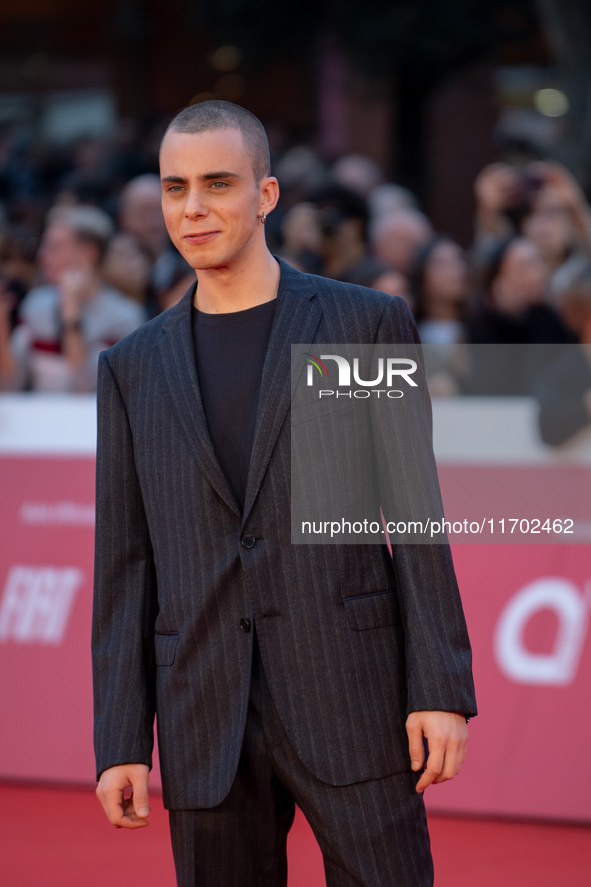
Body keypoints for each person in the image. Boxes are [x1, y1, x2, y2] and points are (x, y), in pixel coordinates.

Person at [92, 100, 476, 887]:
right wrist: (122, 738)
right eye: (174, 188)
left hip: (352, 696)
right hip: (206, 718)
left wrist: (440, 687)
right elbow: (125, 565)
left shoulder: (363, 323)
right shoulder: (129, 367)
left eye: (217, 183)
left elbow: (414, 511)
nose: (192, 207)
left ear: (265, 195)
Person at [3, 205, 146, 392]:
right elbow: (9, 385)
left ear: (88, 254)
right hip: (37, 419)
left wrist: (71, 309)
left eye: (55, 247)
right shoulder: (35, 303)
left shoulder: (124, 315)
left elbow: (89, 388)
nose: (42, 255)